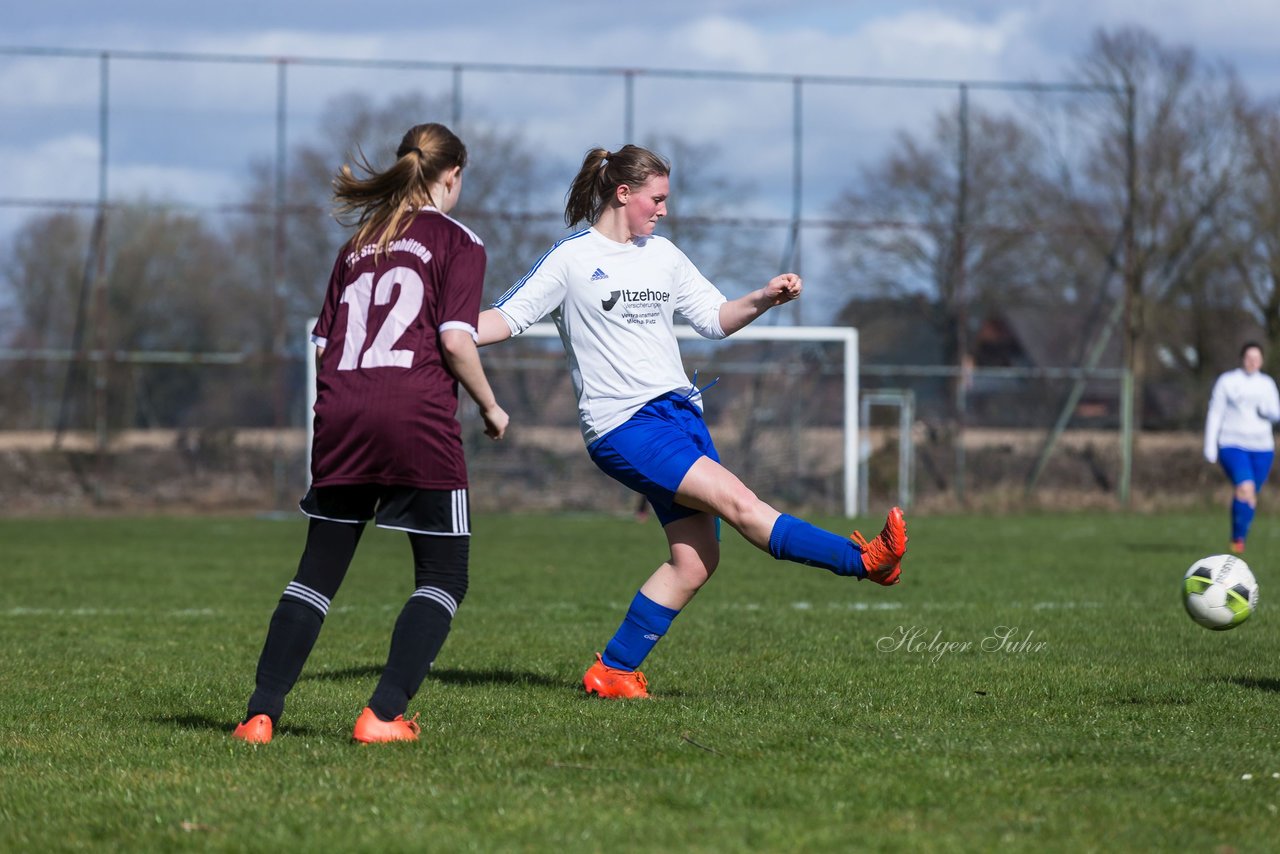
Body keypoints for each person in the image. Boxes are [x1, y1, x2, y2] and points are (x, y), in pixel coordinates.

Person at [477, 144, 907, 700]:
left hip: (679, 417)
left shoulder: (664, 255)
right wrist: (445, 331)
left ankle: (613, 670)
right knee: (743, 503)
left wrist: (763, 297)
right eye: (655, 199)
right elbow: (506, 317)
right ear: (622, 193)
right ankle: (863, 561)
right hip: (624, 426)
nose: (661, 210)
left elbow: (712, 319)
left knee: (695, 561)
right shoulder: (571, 259)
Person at [233, 123, 509, 744]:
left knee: (315, 574)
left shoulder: (358, 244)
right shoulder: (458, 241)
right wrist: (491, 407)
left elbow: (324, 344)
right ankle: (382, 715)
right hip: (415, 418)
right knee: (443, 577)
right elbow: (454, 339)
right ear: (453, 175)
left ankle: (259, 715)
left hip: (342, 417)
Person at [1204, 341, 1280, 555]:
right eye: (1249, 358)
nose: (1253, 362)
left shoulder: (1267, 384)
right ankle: (1237, 541)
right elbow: (1215, 412)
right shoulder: (1227, 381)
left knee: (1250, 497)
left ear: (1262, 360)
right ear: (1242, 358)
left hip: (1263, 448)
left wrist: (1269, 411)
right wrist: (1210, 445)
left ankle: (1239, 539)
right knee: (1244, 488)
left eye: (1257, 358)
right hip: (1232, 444)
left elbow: (1277, 412)